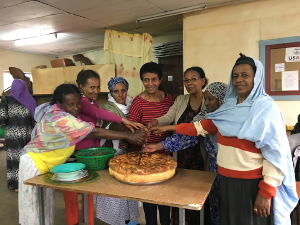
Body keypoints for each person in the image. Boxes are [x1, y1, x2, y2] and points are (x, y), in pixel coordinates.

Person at [150, 54, 298, 225]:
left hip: (251, 184)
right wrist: (166, 130)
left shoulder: (265, 109)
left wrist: (266, 192)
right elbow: (199, 127)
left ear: (256, 78)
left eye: (245, 75)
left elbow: (275, 153)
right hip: (225, 180)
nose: (239, 80)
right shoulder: (227, 110)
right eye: (235, 76)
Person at [18, 83, 147, 225]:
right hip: (34, 164)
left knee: (46, 207)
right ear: (59, 103)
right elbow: (95, 132)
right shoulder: (62, 119)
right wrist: (128, 135)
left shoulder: (52, 109)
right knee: (33, 210)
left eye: (78, 104)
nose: (75, 108)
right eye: (70, 104)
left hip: (45, 166)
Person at [63, 70, 145, 225]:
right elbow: (98, 119)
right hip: (76, 152)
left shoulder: (94, 101)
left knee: (90, 191)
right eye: (91, 87)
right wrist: (124, 122)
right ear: (81, 87)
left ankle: (90, 221)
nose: (96, 91)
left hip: (93, 153)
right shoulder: (83, 102)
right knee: (72, 194)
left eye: (98, 87)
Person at [144, 82, 227, 225]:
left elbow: (196, 129)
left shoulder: (229, 117)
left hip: (231, 170)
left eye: (210, 99)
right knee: (214, 206)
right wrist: (159, 146)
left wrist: (167, 128)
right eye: (205, 99)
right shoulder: (205, 115)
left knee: (228, 208)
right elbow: (188, 136)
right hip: (214, 169)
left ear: (223, 98)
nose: (206, 103)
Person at [145, 66, 208, 225]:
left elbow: (196, 129)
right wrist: (156, 121)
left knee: (197, 196)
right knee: (178, 196)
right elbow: (169, 116)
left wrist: (166, 130)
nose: (189, 83)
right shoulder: (181, 100)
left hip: (201, 158)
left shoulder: (210, 102)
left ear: (203, 81)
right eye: (186, 80)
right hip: (179, 155)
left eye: (193, 79)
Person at [128, 62, 173, 225]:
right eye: (146, 80)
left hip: (165, 155)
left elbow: (172, 121)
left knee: (165, 197)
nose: (150, 84)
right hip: (144, 158)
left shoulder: (168, 99)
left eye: (154, 79)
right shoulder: (138, 103)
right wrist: (143, 134)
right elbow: (131, 131)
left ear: (160, 79)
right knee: (149, 198)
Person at [94, 77, 140, 225]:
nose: (120, 95)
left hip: (128, 150)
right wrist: (128, 136)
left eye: (123, 90)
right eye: (116, 92)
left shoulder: (132, 104)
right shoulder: (108, 108)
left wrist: (129, 139)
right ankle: (116, 221)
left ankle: (129, 220)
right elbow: (109, 127)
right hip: (113, 150)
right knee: (115, 189)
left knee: (128, 187)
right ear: (111, 93)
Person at [0, 79, 36, 192]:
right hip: (28, 135)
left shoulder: (6, 99)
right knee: (26, 158)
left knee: (14, 160)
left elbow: (1, 118)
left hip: (12, 136)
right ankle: (28, 181)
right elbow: (36, 118)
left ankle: (16, 185)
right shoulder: (31, 100)